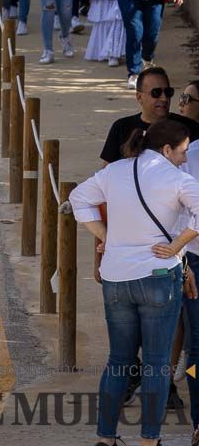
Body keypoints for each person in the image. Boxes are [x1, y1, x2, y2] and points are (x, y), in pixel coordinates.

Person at [70, 119, 199, 446]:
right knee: (156, 364)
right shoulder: (176, 178)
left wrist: (106, 236)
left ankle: (106, 438)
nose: (185, 158)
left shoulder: (114, 172)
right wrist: (176, 245)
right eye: (183, 151)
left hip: (116, 279)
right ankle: (148, 441)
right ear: (167, 149)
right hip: (158, 277)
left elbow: (78, 199)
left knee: (118, 360)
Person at [99, 67, 199, 166]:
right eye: (156, 93)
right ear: (139, 97)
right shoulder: (121, 127)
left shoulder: (189, 127)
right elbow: (107, 171)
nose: (164, 98)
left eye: (168, 92)